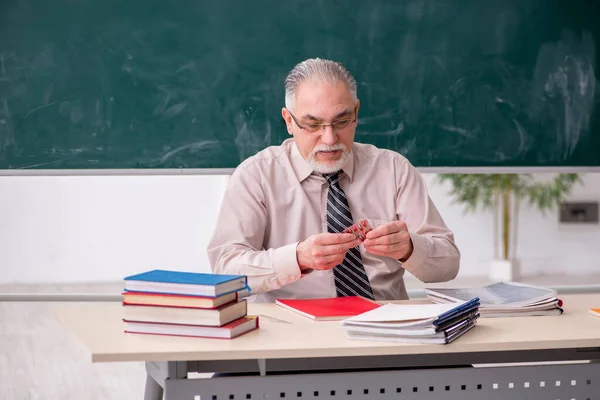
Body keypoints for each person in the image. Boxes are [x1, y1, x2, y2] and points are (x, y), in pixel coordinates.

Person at [207, 58, 460, 302]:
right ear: (288, 121)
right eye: (312, 124)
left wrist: (409, 248)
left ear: (356, 113)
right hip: (293, 334)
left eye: (341, 121)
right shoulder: (257, 175)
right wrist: (297, 258)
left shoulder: (394, 170)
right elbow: (225, 270)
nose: (329, 139)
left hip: (384, 330)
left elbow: (448, 266)